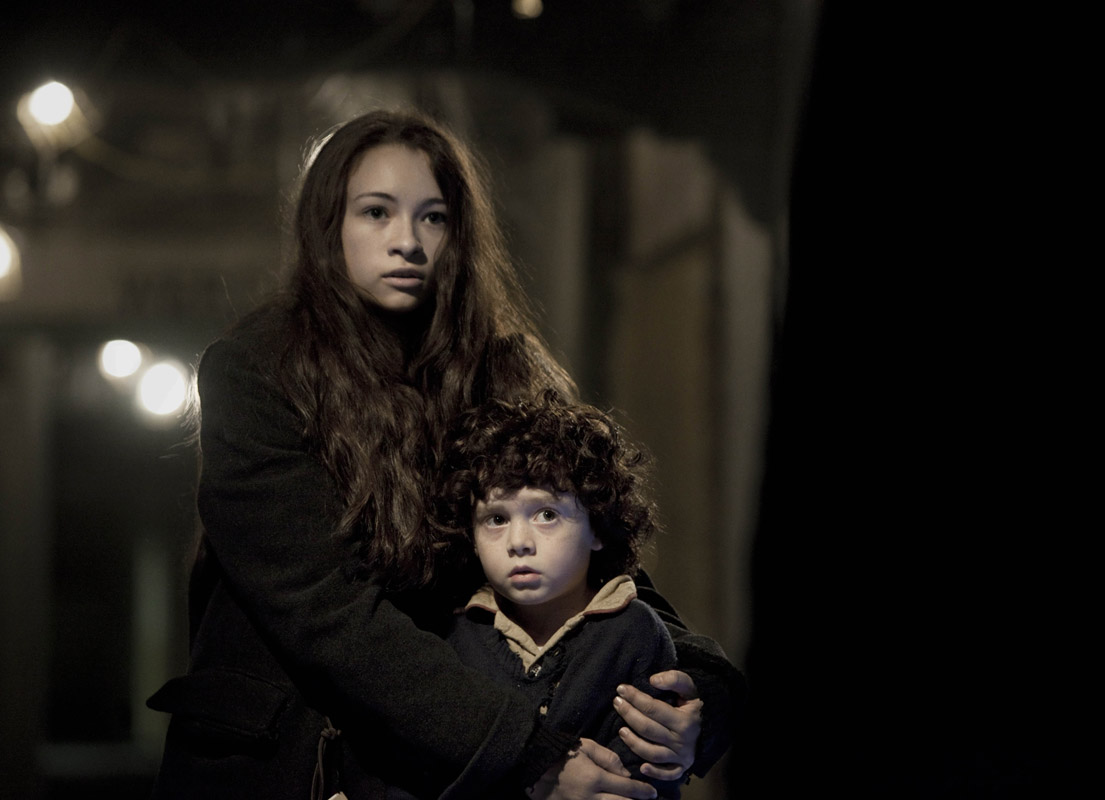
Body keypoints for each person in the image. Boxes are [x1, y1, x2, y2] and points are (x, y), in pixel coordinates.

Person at [146, 109, 741, 800]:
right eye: (377, 212)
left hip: (441, 761)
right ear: (328, 223)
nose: (407, 241)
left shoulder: (502, 373)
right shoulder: (256, 371)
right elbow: (324, 611)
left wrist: (699, 692)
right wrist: (532, 759)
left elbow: (593, 552)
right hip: (288, 762)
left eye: (433, 218)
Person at [434, 392, 703, 799]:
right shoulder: (456, 638)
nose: (518, 542)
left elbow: (646, 776)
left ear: (598, 526)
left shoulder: (634, 634)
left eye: (547, 514)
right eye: (496, 519)